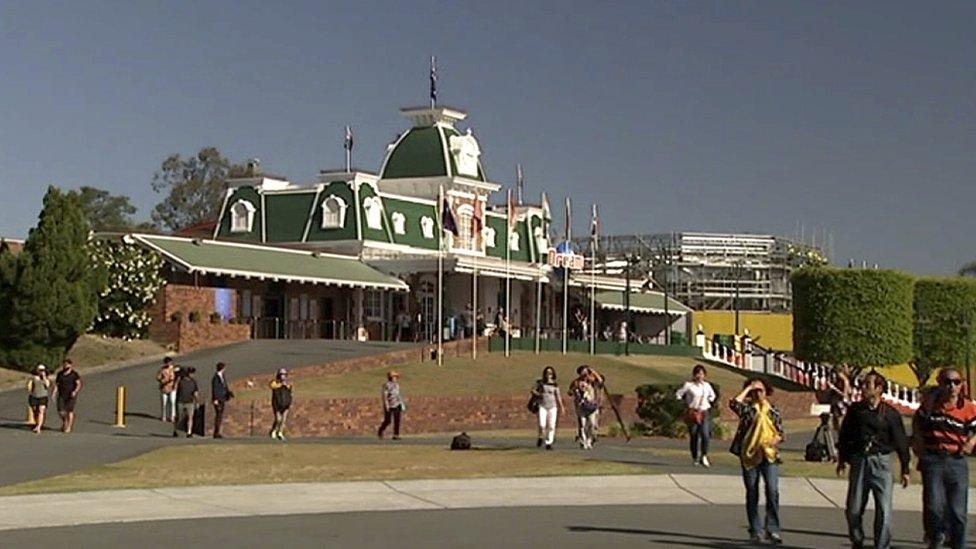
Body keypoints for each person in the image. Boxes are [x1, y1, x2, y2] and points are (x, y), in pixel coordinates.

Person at [836, 370, 910, 549]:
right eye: (863, 384)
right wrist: (842, 459)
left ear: (879, 389)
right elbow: (845, 435)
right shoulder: (855, 411)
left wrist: (905, 468)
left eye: (868, 385)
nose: (864, 388)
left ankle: (882, 545)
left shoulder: (890, 414)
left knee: (884, 509)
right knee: (853, 508)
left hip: (882, 462)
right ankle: (857, 539)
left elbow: (901, 441)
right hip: (860, 460)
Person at [912, 367, 976, 549]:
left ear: (962, 385)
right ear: (940, 384)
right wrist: (919, 445)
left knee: (958, 511)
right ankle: (936, 538)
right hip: (934, 460)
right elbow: (917, 422)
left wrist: (971, 442)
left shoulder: (967, 407)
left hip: (956, 460)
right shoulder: (930, 405)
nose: (952, 386)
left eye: (956, 382)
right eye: (947, 382)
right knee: (934, 505)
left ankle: (958, 544)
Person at [730, 377, 784, 544]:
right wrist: (748, 389)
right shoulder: (748, 410)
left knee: (772, 490)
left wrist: (776, 439)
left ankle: (773, 529)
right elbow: (734, 403)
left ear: (766, 391)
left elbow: (781, 432)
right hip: (750, 455)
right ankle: (755, 530)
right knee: (752, 492)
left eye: (760, 390)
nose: (758, 394)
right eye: (754, 391)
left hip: (769, 454)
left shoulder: (773, 411)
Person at [676, 364, 717, 467]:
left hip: (704, 411)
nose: (700, 376)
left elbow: (712, 396)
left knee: (705, 434)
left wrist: (709, 400)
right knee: (694, 435)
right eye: (697, 374)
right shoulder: (689, 385)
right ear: (694, 375)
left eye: (702, 374)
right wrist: (684, 403)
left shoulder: (707, 386)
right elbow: (678, 394)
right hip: (693, 413)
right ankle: (695, 457)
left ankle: (704, 455)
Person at [532, 366, 564, 451]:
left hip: (552, 406)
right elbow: (533, 390)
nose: (548, 375)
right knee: (542, 424)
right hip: (542, 405)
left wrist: (562, 406)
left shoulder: (555, 384)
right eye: (547, 373)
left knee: (551, 426)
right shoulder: (540, 383)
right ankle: (540, 436)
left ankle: (549, 442)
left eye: (550, 373)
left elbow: (558, 396)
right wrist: (538, 394)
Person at [569, 366, 599, 449]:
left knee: (592, 424)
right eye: (583, 372)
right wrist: (575, 390)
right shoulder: (576, 382)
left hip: (591, 405)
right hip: (581, 406)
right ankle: (583, 441)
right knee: (583, 424)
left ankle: (589, 440)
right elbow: (570, 392)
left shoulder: (591, 381)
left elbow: (600, 381)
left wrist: (593, 372)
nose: (585, 374)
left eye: (586, 371)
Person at [54, 359, 82, 434]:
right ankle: (65, 421)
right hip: (61, 394)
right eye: (64, 364)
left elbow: (79, 384)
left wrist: (75, 391)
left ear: (70, 365)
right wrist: (54, 392)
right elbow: (57, 384)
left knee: (70, 410)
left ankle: (69, 427)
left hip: (71, 394)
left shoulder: (74, 374)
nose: (66, 366)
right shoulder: (60, 374)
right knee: (60, 411)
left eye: (67, 364)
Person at [172, 366, 198, 438]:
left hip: (190, 402)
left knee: (190, 417)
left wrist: (196, 401)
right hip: (180, 401)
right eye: (191, 373)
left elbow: (195, 392)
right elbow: (174, 388)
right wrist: (177, 378)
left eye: (193, 373)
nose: (192, 375)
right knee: (179, 417)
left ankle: (189, 432)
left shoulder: (194, 382)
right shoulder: (181, 381)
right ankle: (175, 430)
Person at [378, 370, 404, 440]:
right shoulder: (387, 385)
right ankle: (381, 430)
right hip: (390, 405)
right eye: (394, 377)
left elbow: (398, 395)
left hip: (397, 404)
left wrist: (401, 403)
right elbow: (385, 396)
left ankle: (396, 434)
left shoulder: (397, 385)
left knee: (397, 419)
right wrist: (387, 406)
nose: (396, 378)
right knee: (388, 420)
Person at [26, 365, 51, 435]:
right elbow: (29, 386)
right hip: (34, 396)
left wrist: (44, 377)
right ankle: (37, 423)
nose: (41, 371)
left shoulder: (46, 378)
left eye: (43, 370)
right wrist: (29, 386)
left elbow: (48, 385)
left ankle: (39, 427)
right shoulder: (33, 377)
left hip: (43, 396)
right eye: (40, 370)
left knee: (41, 410)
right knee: (35, 410)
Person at [269, 368, 293, 440]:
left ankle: (280, 432)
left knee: (283, 420)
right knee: (278, 419)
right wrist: (280, 384)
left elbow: (290, 390)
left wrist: (286, 385)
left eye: (284, 375)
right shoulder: (275, 383)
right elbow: (272, 386)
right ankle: (274, 430)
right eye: (281, 375)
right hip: (277, 404)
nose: (283, 376)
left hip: (285, 404)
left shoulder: (287, 384)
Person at [211, 362, 232, 439]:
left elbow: (224, 386)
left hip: (222, 398)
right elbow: (215, 389)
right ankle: (216, 432)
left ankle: (218, 431)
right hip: (218, 398)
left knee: (220, 415)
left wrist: (228, 393)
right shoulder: (216, 378)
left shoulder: (222, 376)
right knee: (218, 415)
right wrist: (215, 399)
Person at [156, 357, 177, 422]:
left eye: (170, 362)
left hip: (172, 387)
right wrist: (162, 380)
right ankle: (164, 416)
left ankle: (172, 416)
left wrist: (176, 384)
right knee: (164, 403)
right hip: (164, 387)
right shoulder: (162, 369)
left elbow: (177, 377)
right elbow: (158, 377)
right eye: (167, 362)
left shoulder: (174, 369)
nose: (169, 363)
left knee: (172, 402)